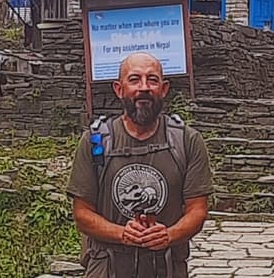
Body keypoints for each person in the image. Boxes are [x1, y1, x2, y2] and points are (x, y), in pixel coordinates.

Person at [67, 52, 212, 278]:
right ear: (119, 89)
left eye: (152, 80)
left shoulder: (186, 141)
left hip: (166, 267)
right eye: (134, 79)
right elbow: (82, 213)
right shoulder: (96, 141)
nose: (144, 87)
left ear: (163, 89)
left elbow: (198, 210)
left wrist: (169, 235)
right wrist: (122, 233)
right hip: (107, 268)